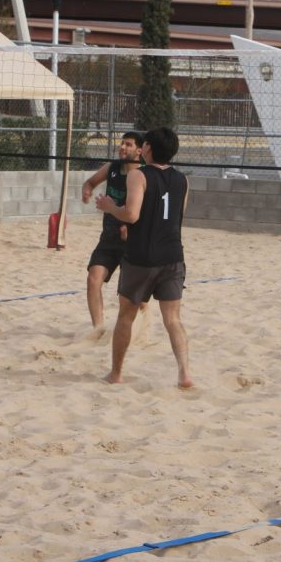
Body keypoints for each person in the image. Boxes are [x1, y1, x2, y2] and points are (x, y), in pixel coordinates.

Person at [95, 127, 192, 388]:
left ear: (146, 147)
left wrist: (110, 207)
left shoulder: (138, 175)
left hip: (142, 257)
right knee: (173, 319)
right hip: (173, 255)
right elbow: (177, 215)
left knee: (126, 316)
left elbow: (132, 214)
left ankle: (116, 373)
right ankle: (184, 373)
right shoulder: (182, 179)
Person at [81, 131, 145, 329]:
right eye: (122, 143)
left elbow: (149, 210)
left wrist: (131, 227)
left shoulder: (144, 174)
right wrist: (87, 190)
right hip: (108, 239)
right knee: (93, 279)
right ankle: (98, 329)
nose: (122, 147)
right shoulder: (112, 167)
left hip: (133, 243)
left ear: (139, 150)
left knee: (131, 296)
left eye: (128, 144)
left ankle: (141, 327)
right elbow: (90, 182)